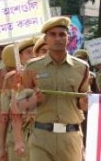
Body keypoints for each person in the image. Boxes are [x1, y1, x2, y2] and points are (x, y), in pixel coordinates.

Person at [20, 17, 89, 161]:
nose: (58, 38)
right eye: (53, 34)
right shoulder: (32, 67)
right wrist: (34, 100)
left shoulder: (82, 68)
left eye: (62, 34)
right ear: (45, 39)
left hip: (70, 138)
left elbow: (83, 103)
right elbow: (20, 105)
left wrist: (86, 101)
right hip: (41, 138)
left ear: (68, 38)